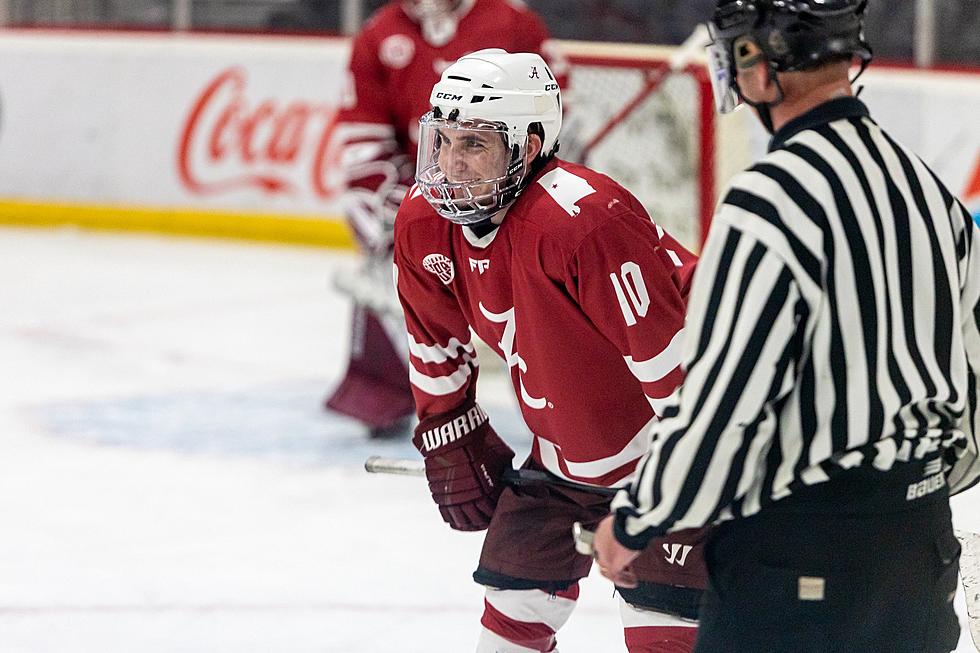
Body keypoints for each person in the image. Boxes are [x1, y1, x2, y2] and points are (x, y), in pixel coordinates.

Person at [592, 1, 980, 652]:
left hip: (800, 563)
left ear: (759, 62)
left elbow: (724, 401)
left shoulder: (768, 201)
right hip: (920, 549)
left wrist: (636, 520)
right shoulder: (927, 190)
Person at [394, 48, 708, 653]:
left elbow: (679, 376)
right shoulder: (423, 223)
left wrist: (681, 489)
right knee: (507, 627)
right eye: (444, 142)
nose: (452, 166)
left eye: (476, 145)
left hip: (666, 459)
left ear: (528, 146)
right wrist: (449, 434)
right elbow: (434, 340)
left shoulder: (584, 222)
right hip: (562, 464)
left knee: (663, 637)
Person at [325, 0, 567, 438]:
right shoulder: (379, 34)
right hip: (420, 185)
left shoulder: (511, 22)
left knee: (535, 301)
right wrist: (396, 205)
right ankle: (395, 392)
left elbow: (553, 112)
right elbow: (363, 135)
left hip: (509, 188)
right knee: (404, 262)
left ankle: (562, 400)